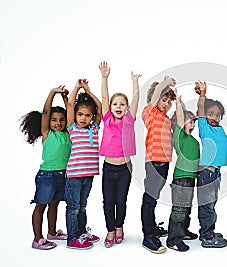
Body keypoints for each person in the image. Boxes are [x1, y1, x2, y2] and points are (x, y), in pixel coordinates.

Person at [20, 86, 71, 250]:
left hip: (63, 175)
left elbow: (70, 113)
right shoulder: (47, 133)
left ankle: (52, 233)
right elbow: (46, 112)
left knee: (55, 204)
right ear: (48, 122)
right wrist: (53, 93)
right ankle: (37, 239)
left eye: (61, 120)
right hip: (47, 176)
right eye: (54, 120)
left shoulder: (68, 133)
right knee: (41, 205)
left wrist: (65, 98)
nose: (58, 123)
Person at [98, 61, 141, 248]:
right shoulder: (107, 119)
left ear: (126, 108)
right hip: (108, 167)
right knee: (108, 202)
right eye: (115, 104)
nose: (118, 106)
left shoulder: (129, 120)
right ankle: (109, 230)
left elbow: (136, 100)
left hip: (125, 168)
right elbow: (104, 97)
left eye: (122, 104)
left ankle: (119, 228)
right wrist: (105, 77)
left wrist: (135, 82)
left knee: (120, 201)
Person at [65, 78, 102, 249]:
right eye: (80, 115)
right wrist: (77, 86)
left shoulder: (94, 128)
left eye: (87, 115)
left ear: (92, 117)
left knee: (82, 206)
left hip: (88, 175)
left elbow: (100, 107)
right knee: (73, 207)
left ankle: (81, 232)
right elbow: (71, 104)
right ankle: (72, 238)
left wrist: (88, 90)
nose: (83, 118)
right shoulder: (72, 128)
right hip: (74, 176)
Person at [141, 76, 176, 254]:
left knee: (154, 198)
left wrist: (174, 100)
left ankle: (153, 228)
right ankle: (148, 237)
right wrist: (165, 83)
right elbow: (155, 97)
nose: (166, 103)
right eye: (164, 99)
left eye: (168, 100)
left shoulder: (165, 118)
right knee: (149, 199)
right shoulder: (150, 113)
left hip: (164, 163)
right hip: (153, 162)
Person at [195, 81, 227, 248]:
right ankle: (207, 236)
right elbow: (202, 109)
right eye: (211, 114)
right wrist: (202, 95)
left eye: (217, 114)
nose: (214, 117)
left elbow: (209, 108)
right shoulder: (204, 127)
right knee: (207, 206)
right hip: (206, 173)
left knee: (211, 204)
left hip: (214, 173)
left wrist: (207, 100)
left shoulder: (219, 128)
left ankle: (208, 230)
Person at [166, 89, 199, 252]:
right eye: (189, 121)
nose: (192, 125)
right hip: (181, 178)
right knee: (179, 210)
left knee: (186, 208)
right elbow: (180, 118)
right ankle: (173, 239)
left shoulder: (192, 139)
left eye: (194, 122)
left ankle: (183, 231)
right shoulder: (179, 136)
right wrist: (179, 104)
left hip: (191, 178)